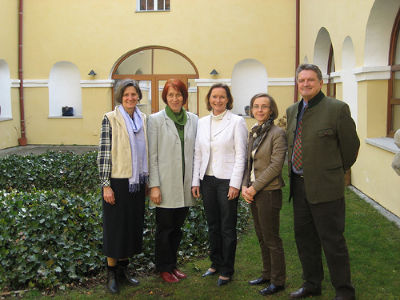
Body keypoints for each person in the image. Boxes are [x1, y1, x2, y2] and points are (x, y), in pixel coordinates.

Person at [286, 64, 360, 300]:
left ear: (320, 83)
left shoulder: (337, 109)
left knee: (332, 241)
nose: (305, 84)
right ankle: (311, 284)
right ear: (297, 84)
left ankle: (344, 291)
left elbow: (350, 148)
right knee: (305, 239)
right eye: (301, 80)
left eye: (310, 80)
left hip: (326, 187)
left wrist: (334, 172)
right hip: (298, 186)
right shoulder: (292, 110)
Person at [192, 83, 247, 286]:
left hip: (226, 181)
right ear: (209, 99)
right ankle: (215, 263)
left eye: (222, 97)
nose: (217, 100)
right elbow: (198, 153)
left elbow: (241, 155)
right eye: (214, 97)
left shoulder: (237, 122)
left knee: (227, 226)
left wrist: (235, 185)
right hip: (207, 180)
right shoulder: (202, 122)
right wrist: (195, 180)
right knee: (212, 225)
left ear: (228, 99)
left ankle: (227, 269)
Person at [97, 79, 148, 294]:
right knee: (115, 228)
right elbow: (104, 154)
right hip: (117, 182)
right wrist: (106, 185)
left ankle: (124, 272)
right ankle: (111, 274)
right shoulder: (110, 118)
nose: (130, 98)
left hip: (136, 183)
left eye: (134, 94)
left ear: (138, 96)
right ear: (121, 96)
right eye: (126, 94)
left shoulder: (143, 119)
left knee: (130, 228)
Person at [148, 79, 198, 283]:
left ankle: (173, 265)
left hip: (185, 184)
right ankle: (163, 268)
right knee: (165, 229)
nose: (175, 99)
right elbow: (152, 156)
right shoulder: (155, 120)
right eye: (171, 95)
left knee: (177, 229)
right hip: (165, 185)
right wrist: (154, 186)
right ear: (165, 98)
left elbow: (196, 152)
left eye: (178, 95)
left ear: (184, 97)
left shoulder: (194, 119)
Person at [242, 93, 287, 296]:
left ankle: (278, 281)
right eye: (256, 106)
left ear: (271, 110)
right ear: (252, 110)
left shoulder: (277, 133)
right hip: (253, 190)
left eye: (264, 107)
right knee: (261, 237)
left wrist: (254, 187)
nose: (259, 110)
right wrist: (245, 186)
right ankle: (266, 274)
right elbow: (248, 162)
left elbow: (275, 166)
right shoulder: (254, 130)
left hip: (268, 192)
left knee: (272, 238)